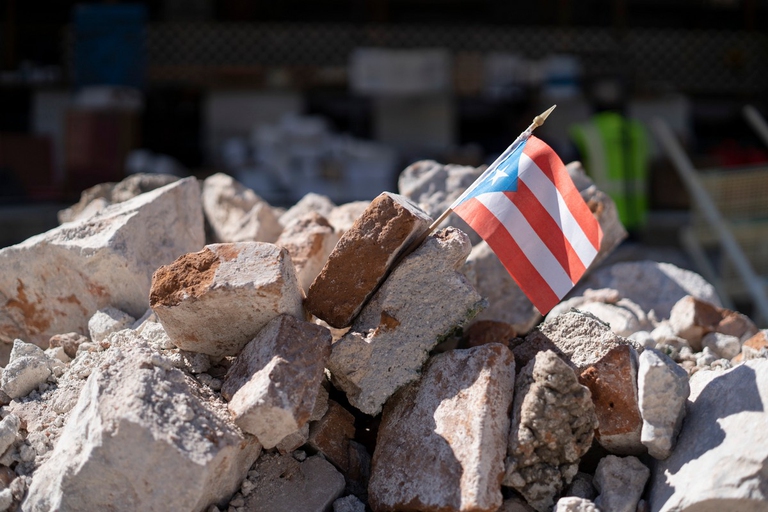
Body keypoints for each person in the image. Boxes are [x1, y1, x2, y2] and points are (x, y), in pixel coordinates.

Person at [570, 77, 650, 235]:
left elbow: (571, 177)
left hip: (599, 219)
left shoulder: (586, 133)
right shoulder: (638, 131)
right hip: (637, 219)